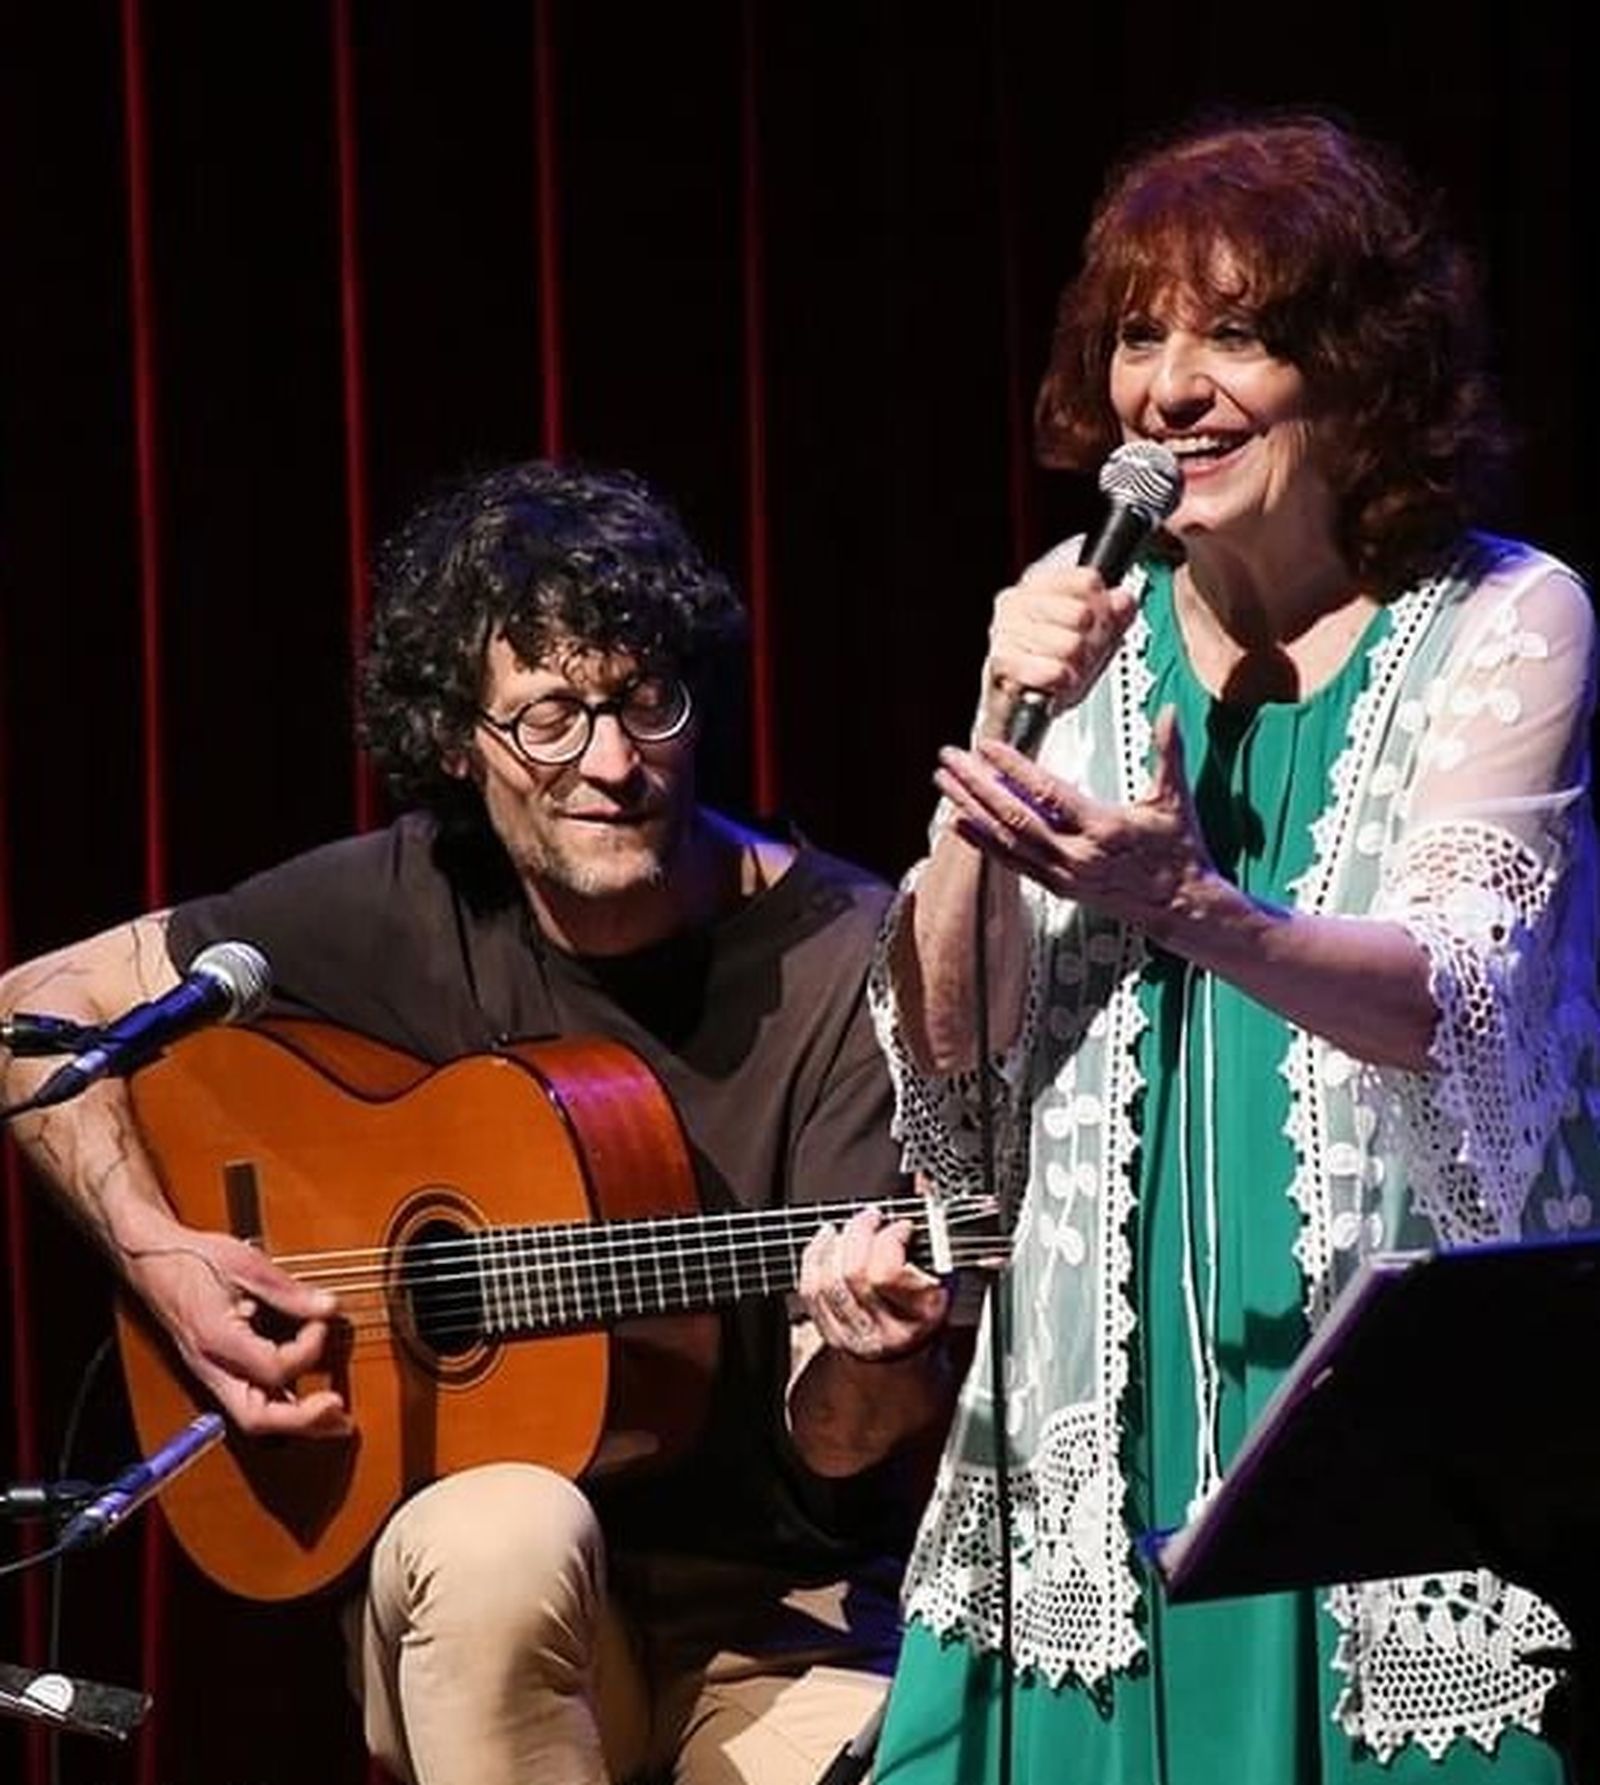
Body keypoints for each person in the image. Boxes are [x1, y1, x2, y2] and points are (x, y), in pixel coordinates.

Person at [0, 459, 959, 1785]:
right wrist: (158, 1251)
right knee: (504, 1530)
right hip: (487, 1620)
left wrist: (874, 1351)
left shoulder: (851, 960)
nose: (614, 763)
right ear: (461, 739)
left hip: (778, 1625)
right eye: (550, 720)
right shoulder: (402, 898)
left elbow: (843, 1433)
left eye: (645, 703)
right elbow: (31, 1010)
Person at [863, 110, 1600, 1783]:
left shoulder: (1509, 618)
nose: (1170, 388)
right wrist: (997, 722)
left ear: (1362, 372)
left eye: (1237, 334)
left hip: (1375, 1417)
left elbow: (1459, 998)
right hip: (1101, 1404)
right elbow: (955, 1057)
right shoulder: (1075, 609)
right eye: (1138, 336)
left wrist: (1196, 905)